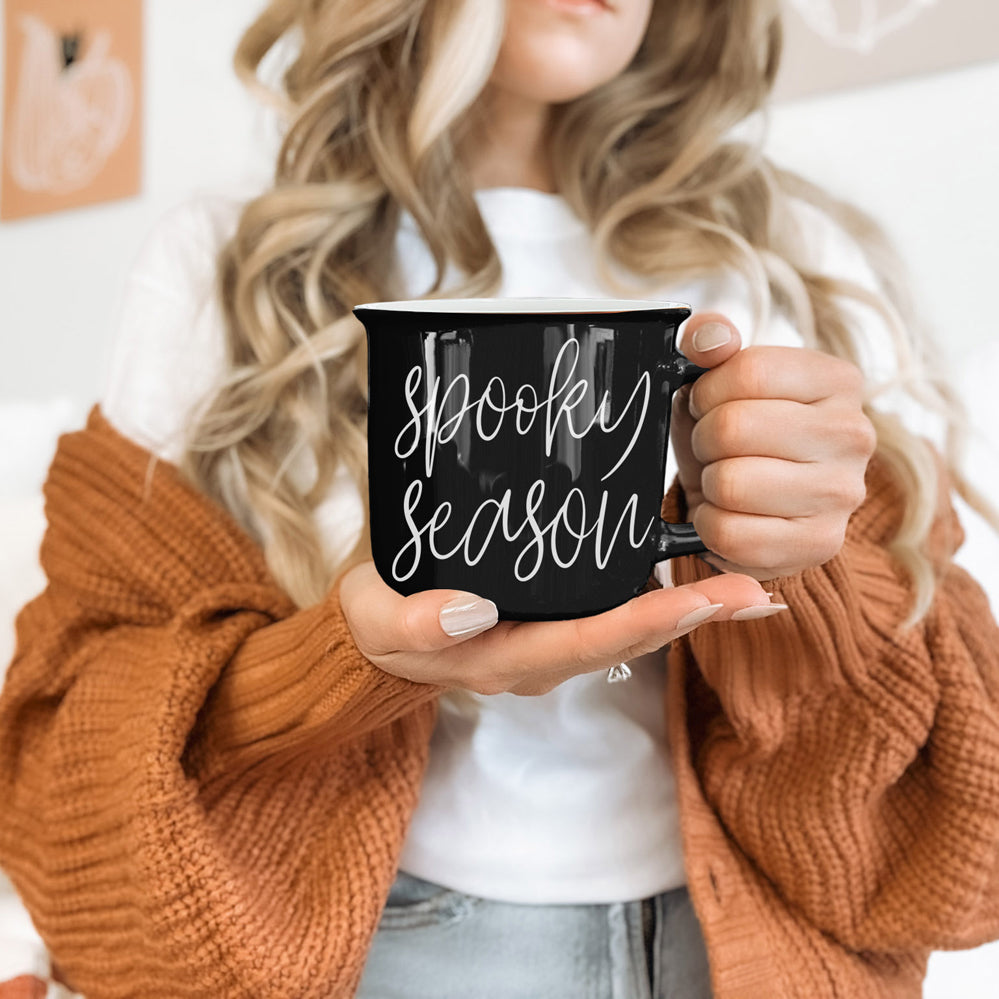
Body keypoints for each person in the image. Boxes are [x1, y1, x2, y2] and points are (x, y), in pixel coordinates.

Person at [1, 0, 998, 996]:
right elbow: (62, 772)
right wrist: (342, 663)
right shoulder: (230, 268)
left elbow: (957, 830)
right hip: (378, 951)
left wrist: (810, 573)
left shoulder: (794, 260)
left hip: (747, 959)